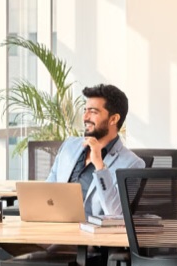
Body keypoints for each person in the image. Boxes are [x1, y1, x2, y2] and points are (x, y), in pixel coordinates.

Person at [45, 84, 145, 216]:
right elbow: (47, 192)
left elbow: (116, 214)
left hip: (91, 229)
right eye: (85, 110)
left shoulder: (133, 164)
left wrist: (100, 166)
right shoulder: (69, 146)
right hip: (56, 224)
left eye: (93, 112)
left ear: (113, 119)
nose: (85, 117)